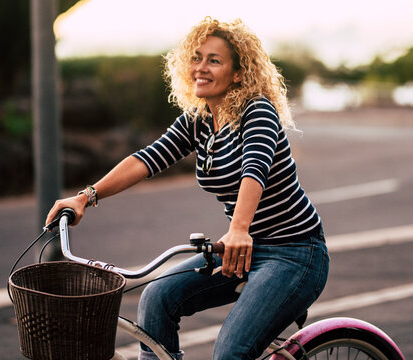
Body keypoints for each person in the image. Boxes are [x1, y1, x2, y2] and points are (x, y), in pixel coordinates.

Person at [46, 17, 329, 360]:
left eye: (214, 60)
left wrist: (239, 229)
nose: (201, 68)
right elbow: (147, 159)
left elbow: (254, 170)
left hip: (294, 253)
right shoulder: (199, 121)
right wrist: (85, 197)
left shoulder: (257, 112)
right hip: (242, 253)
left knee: (230, 352)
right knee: (157, 298)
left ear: (238, 73)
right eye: (196, 58)